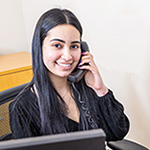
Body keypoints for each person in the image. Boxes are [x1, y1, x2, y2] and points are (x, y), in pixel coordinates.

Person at [9, 8, 129, 141]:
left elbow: (118, 132)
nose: (67, 56)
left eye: (74, 46)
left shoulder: (86, 88)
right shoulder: (22, 108)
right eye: (57, 45)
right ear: (40, 48)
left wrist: (100, 90)